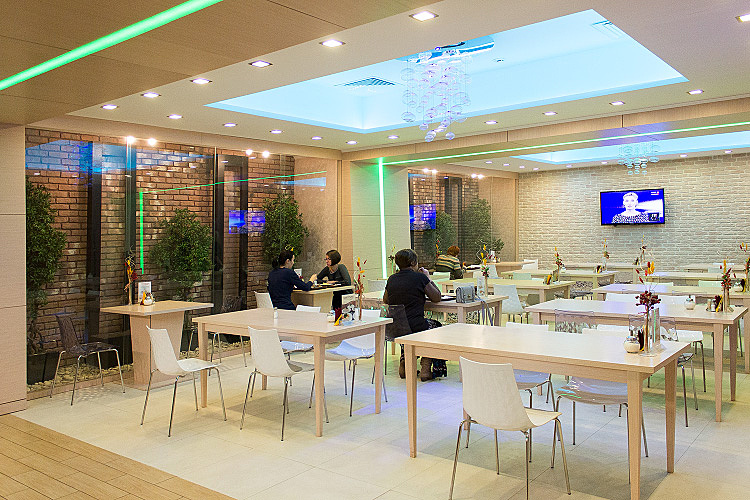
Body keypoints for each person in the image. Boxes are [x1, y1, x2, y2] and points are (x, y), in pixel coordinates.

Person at [383, 249, 443, 381]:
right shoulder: (420, 278)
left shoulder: (392, 279)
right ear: (412, 262)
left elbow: (386, 300)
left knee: (407, 331)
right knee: (436, 327)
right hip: (415, 326)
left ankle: (405, 363)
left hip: (395, 327)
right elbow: (436, 297)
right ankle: (426, 367)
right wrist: (428, 278)